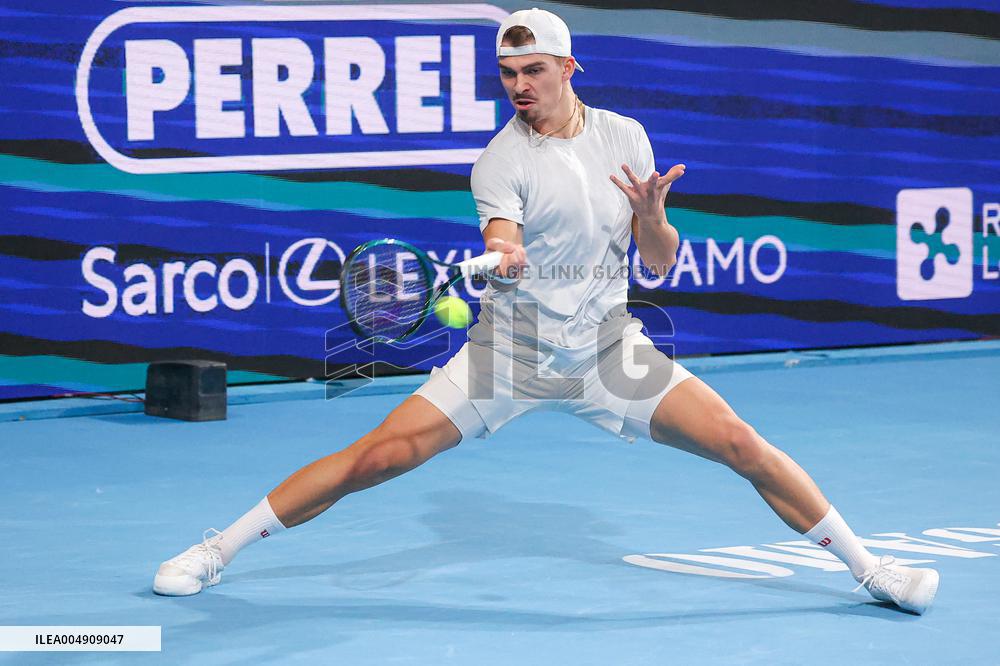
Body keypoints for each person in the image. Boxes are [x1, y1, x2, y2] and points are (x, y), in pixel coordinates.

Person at [153, 8, 939, 614]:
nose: (520, 86)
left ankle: (872, 570)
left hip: (607, 349)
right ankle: (216, 549)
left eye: (534, 70)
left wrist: (654, 214)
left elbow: (658, 261)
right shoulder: (499, 159)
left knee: (739, 441)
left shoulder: (624, 136)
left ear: (570, 67)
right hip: (510, 355)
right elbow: (503, 235)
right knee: (374, 459)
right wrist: (505, 251)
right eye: (507, 73)